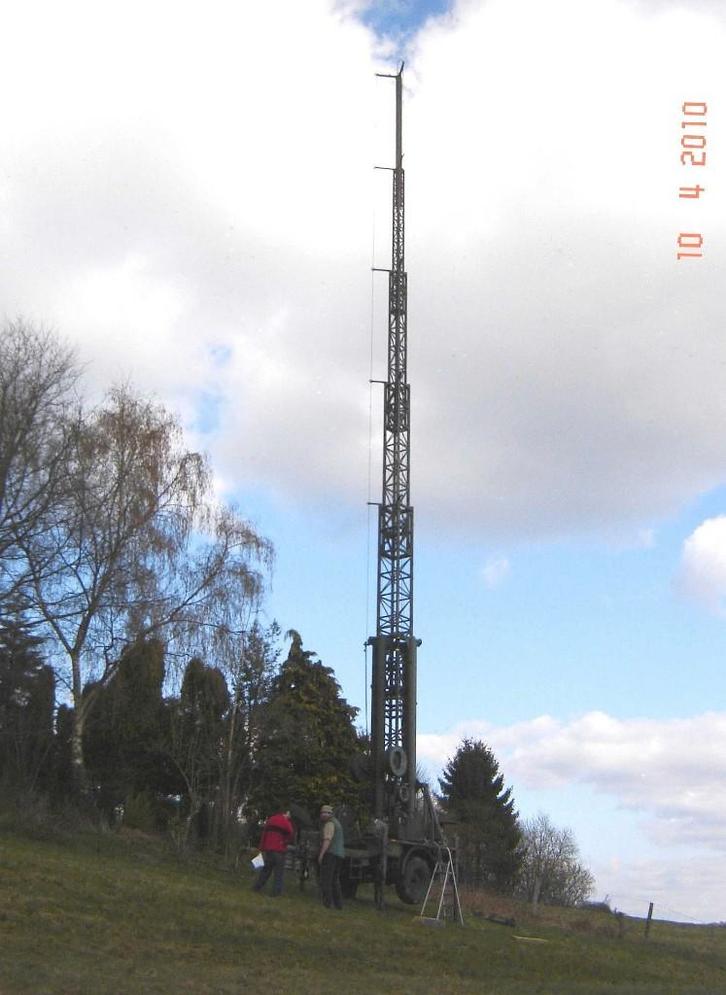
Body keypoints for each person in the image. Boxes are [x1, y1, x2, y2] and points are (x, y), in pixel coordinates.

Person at [252, 808, 294, 897]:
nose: (290, 816)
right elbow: (290, 834)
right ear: (286, 813)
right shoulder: (286, 822)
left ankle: (257, 887)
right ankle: (276, 892)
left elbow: (264, 834)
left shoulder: (271, 819)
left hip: (269, 850)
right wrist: (285, 842)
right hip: (279, 850)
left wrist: (261, 847)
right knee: (278, 873)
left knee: (266, 870)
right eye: (290, 814)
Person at [318, 804, 345, 909]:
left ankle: (327, 903)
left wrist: (321, 854)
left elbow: (327, 840)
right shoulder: (337, 823)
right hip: (339, 854)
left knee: (326, 880)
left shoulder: (330, 824)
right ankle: (339, 905)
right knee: (335, 880)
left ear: (329, 814)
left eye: (324, 813)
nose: (323, 815)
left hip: (331, 854)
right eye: (322, 813)